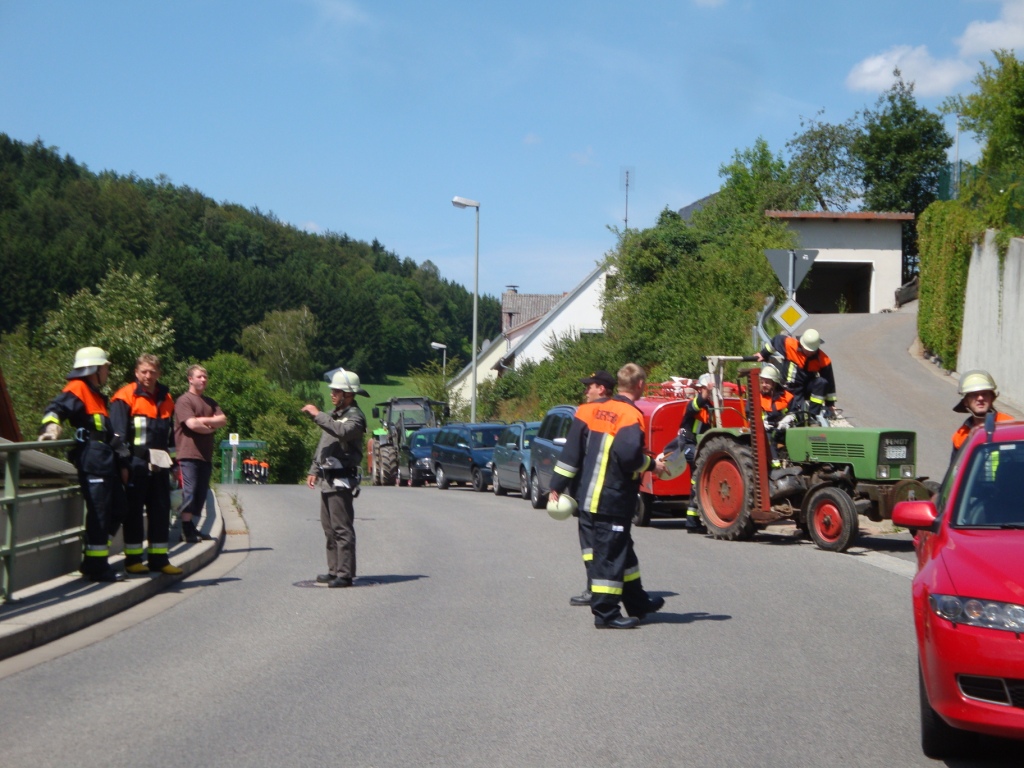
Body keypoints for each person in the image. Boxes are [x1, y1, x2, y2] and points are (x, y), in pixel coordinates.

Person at [550, 363, 666, 629]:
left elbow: (571, 452)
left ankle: (638, 603)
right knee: (610, 556)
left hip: (589, 497)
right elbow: (628, 457)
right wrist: (652, 465)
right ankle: (606, 614)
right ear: (640, 385)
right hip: (611, 499)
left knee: (623, 552)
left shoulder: (595, 410)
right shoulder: (630, 415)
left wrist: (556, 485)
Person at [39, 346, 128, 582]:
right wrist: (51, 427)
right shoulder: (78, 387)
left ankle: (93, 559)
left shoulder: (96, 394)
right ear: (94, 369)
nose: (107, 371)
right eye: (105, 367)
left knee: (119, 508)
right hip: (92, 461)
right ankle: (97, 567)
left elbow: (107, 432)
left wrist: (123, 459)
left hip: (105, 461)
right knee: (99, 514)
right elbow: (55, 408)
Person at [110, 354, 183, 575]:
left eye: (152, 371)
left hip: (160, 464)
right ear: (136, 372)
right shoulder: (124, 396)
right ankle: (133, 560)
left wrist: (174, 465)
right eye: (144, 371)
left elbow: (171, 437)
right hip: (136, 464)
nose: (148, 376)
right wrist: (123, 465)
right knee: (133, 512)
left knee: (160, 510)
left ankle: (159, 559)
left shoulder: (166, 398)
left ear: (159, 373)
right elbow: (117, 437)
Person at [303, 368, 368, 589]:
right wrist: (314, 469)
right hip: (327, 480)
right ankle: (333, 570)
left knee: (342, 528)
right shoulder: (335, 415)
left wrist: (317, 414)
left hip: (341, 481)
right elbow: (325, 444)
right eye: (332, 390)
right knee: (329, 528)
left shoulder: (355, 417)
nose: (332, 394)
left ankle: (345, 574)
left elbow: (341, 432)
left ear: (348, 394)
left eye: (336, 391)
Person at [567, 370, 617, 608]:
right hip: (611, 492)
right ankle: (608, 591)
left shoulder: (586, 412)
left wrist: (557, 485)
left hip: (589, 490)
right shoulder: (619, 412)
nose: (586, 390)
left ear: (602, 389)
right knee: (610, 543)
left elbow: (572, 453)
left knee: (591, 544)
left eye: (590, 386)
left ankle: (594, 590)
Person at [173, 364, 226, 543]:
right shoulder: (184, 401)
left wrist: (202, 419)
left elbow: (223, 420)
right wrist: (210, 427)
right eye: (199, 376)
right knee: (189, 491)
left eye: (205, 377)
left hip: (205, 454)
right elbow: (191, 424)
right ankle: (185, 529)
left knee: (200, 492)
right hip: (188, 454)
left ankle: (191, 526)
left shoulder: (210, 402)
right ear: (190, 379)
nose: (203, 379)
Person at [755, 328, 836, 423]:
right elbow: (775, 341)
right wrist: (763, 354)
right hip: (788, 387)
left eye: (811, 351)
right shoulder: (790, 345)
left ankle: (812, 416)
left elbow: (829, 383)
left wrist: (830, 404)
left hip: (805, 388)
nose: (809, 353)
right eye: (807, 350)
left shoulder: (823, 359)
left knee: (821, 382)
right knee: (796, 416)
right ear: (801, 344)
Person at [675, 372, 715, 533]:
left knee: (696, 481)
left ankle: (693, 521)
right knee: (702, 469)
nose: (708, 393)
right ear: (700, 389)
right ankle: (693, 521)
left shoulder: (710, 406)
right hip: (688, 445)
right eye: (706, 390)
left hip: (698, 445)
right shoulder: (693, 404)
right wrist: (705, 392)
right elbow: (696, 405)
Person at [951, 370, 1013, 462]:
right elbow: (956, 469)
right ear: (965, 402)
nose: (980, 398)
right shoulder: (961, 435)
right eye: (974, 394)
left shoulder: (1008, 425)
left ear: (992, 398)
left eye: (984, 393)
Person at [756, 364, 793, 470]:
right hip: (766, 430)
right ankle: (775, 467)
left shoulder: (786, 396)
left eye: (767, 382)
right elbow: (749, 415)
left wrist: (788, 419)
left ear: (774, 383)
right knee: (769, 438)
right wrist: (761, 423)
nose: (764, 385)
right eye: (762, 382)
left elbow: (795, 412)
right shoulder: (756, 397)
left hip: (783, 429)